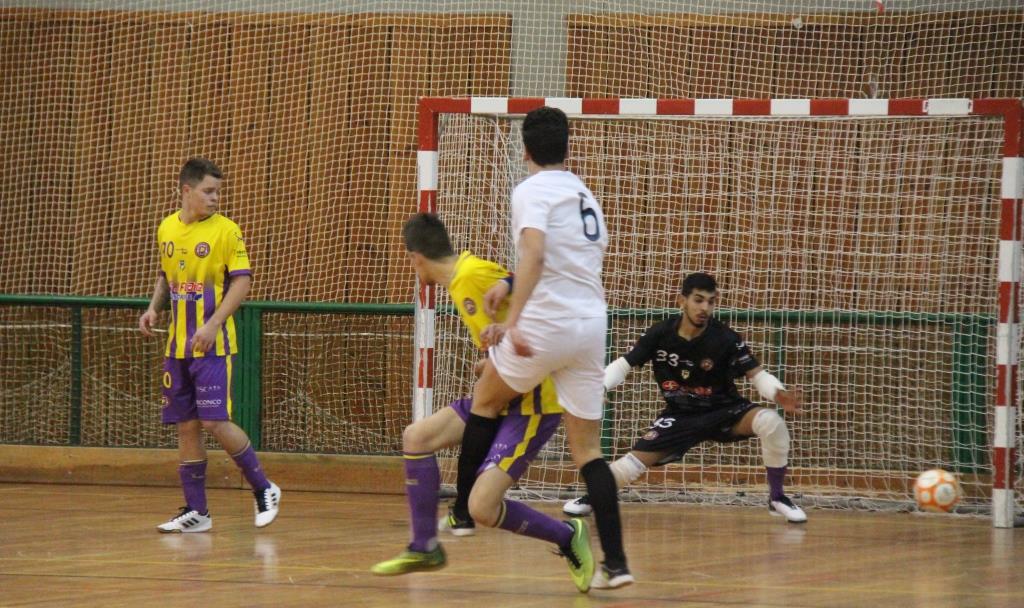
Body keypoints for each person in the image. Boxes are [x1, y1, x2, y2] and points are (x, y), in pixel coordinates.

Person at [452, 106, 632, 589]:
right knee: (589, 451)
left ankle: (463, 512)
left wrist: (511, 321)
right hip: (592, 324)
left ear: (525, 150)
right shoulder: (584, 194)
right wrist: (511, 280)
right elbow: (568, 258)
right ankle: (617, 564)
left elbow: (535, 252)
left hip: (548, 324)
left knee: (486, 400)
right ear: (567, 146)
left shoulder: (529, 190)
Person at [370, 213, 594, 593]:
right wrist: (492, 359)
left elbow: (535, 290)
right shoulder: (459, 283)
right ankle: (424, 546)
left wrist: (509, 292)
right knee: (416, 437)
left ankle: (567, 535)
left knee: (482, 508)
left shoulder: (472, 273)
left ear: (415, 258)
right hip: (498, 394)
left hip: (533, 405)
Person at [562, 272, 807, 523]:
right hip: (681, 415)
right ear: (682, 301)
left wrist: (778, 393)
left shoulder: (726, 338)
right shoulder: (660, 334)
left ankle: (777, 497)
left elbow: (757, 374)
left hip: (725, 411)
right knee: (630, 465)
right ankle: (594, 497)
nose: (705, 308)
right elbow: (624, 365)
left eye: (710, 302)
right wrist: (599, 387)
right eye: (698, 300)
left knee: (771, 423)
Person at [139, 158, 280, 533]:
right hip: (177, 347)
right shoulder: (166, 227)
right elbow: (165, 275)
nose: (216, 198)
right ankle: (197, 511)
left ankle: (264, 488)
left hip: (213, 346)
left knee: (214, 420)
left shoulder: (227, 232)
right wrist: (154, 309)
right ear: (187, 191)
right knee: (187, 426)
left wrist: (213, 323)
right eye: (208, 191)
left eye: (218, 191)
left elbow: (242, 283)